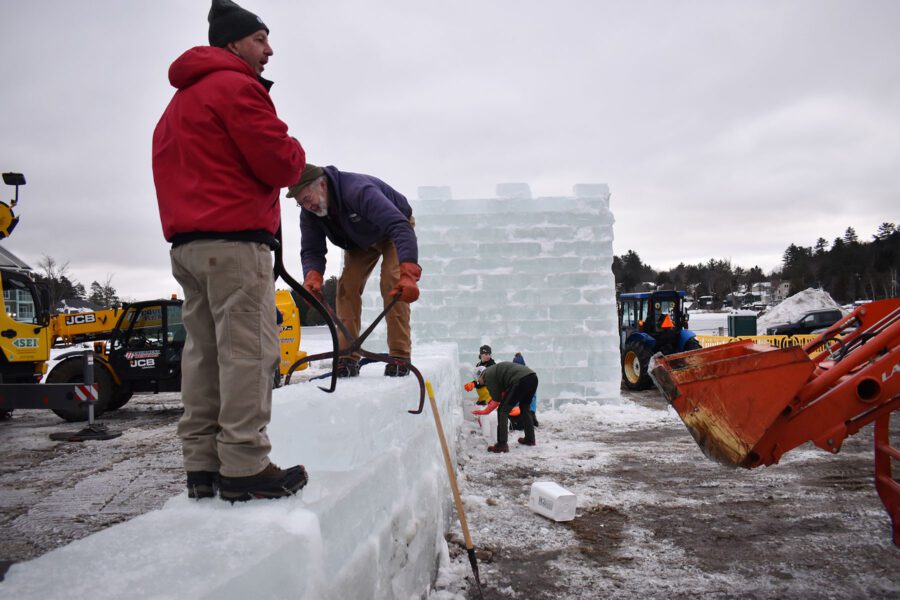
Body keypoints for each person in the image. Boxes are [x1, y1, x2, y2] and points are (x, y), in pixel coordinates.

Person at [152, 0, 308, 502]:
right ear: (234, 43)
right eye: (260, 39)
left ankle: (201, 464)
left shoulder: (178, 104)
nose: (269, 50)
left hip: (188, 248)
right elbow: (282, 163)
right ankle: (243, 463)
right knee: (248, 353)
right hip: (234, 244)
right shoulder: (236, 87)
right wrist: (297, 150)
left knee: (204, 355)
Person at [288, 164, 421, 377]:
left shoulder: (358, 190)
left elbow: (398, 226)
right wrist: (312, 275)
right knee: (346, 288)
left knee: (392, 282)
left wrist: (409, 272)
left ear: (322, 184)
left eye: (307, 198)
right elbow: (312, 249)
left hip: (392, 231)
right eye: (300, 203)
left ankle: (400, 355)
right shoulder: (309, 212)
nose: (306, 205)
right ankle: (347, 357)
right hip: (359, 241)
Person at [475, 361, 538, 453]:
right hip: (532, 378)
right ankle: (530, 439)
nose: (479, 382)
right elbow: (504, 392)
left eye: (478, 380)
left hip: (520, 380)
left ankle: (502, 444)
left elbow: (497, 400)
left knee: (502, 411)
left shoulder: (488, 375)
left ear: (480, 375)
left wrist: (485, 411)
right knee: (525, 408)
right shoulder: (494, 371)